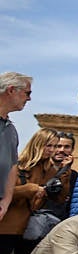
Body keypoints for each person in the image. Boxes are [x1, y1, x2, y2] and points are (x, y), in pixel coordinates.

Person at [0, 129, 54, 254]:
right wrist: (28, 189)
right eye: (49, 145)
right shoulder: (17, 165)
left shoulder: (49, 170)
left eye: (55, 146)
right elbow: (4, 193)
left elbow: (56, 199)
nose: (52, 150)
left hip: (28, 230)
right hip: (7, 227)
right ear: (38, 144)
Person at [0, 73, 32, 226]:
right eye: (27, 93)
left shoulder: (11, 130)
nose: (29, 99)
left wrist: (6, 201)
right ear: (11, 90)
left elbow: (13, 166)